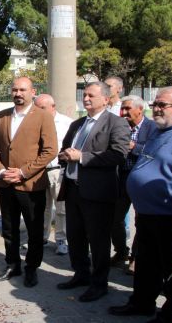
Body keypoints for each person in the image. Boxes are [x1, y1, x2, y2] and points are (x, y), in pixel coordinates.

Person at [109, 87, 172, 317]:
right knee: (147, 266)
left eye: (162, 105)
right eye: (155, 104)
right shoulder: (159, 132)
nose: (156, 109)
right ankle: (141, 303)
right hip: (147, 215)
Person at [56, 82, 130, 302]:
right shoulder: (78, 123)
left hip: (97, 194)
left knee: (98, 241)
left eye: (91, 95)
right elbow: (66, 150)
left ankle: (99, 284)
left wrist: (82, 157)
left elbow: (118, 155)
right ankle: (81, 274)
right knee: (75, 237)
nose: (86, 98)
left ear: (106, 99)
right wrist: (64, 156)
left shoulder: (116, 123)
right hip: (73, 190)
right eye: (85, 94)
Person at [0, 78, 58, 287]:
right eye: (15, 89)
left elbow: (50, 150)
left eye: (23, 89)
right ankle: (12, 264)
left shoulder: (43, 116)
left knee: (34, 229)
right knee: (9, 228)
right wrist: (0, 171)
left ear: (33, 92)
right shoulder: (2, 116)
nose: (18, 93)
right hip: (5, 184)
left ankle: (31, 268)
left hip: (31, 184)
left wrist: (22, 172)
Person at [110, 95, 156, 273]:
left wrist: (133, 146)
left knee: (141, 220)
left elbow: (155, 149)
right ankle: (121, 251)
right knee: (115, 218)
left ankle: (136, 258)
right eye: (122, 108)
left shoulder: (152, 127)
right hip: (121, 178)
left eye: (128, 108)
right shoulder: (118, 125)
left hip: (142, 180)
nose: (124, 112)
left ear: (140, 109)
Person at [33, 94, 73, 255]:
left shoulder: (66, 123)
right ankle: (42, 236)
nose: (39, 111)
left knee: (61, 208)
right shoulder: (34, 122)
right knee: (42, 207)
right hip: (39, 171)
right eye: (36, 108)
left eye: (42, 108)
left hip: (58, 170)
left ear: (53, 106)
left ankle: (61, 240)